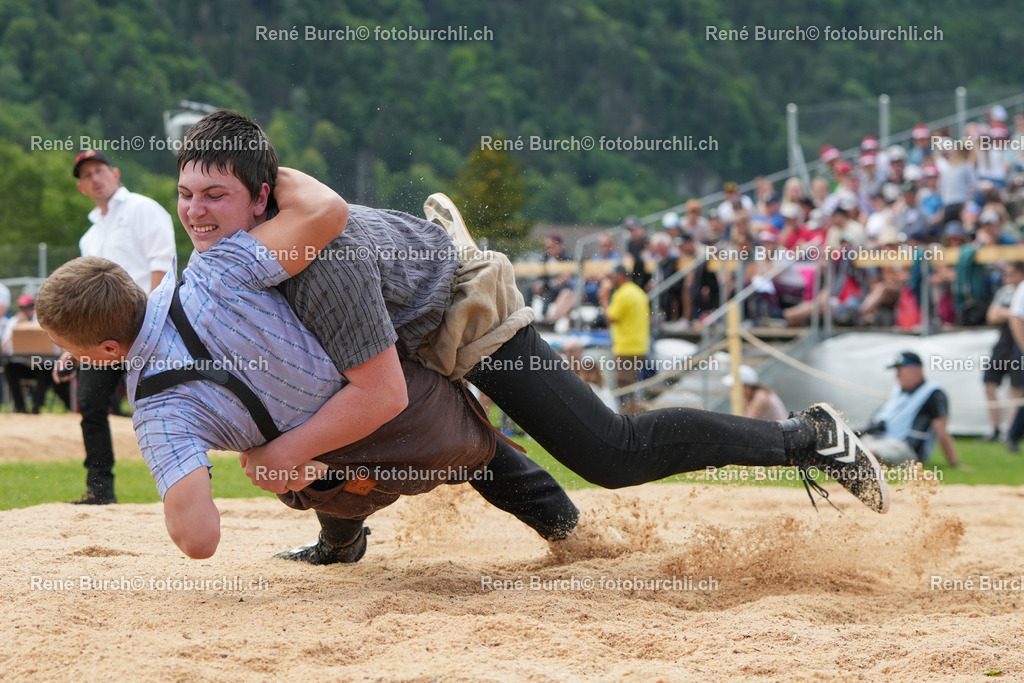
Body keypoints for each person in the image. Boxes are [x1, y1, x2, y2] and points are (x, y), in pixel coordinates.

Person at [176, 110, 892, 560]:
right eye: (186, 194)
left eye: (216, 195)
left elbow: (379, 393)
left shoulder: (320, 262)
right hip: (405, 312)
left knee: (609, 451)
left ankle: (805, 436)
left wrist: (282, 454)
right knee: (383, 421)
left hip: (462, 310)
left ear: (263, 197)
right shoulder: (238, 251)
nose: (196, 212)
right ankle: (354, 537)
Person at [35, 169, 580, 562]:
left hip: (357, 462)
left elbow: (199, 541)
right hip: (415, 404)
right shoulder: (214, 265)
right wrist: (255, 166)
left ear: (107, 351)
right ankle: (571, 534)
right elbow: (325, 213)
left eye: (71, 348)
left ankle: (338, 545)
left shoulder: (157, 412)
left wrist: (202, 460)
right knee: (465, 445)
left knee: (290, 460)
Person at [64, 150, 175, 504]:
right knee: (90, 405)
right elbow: (85, 296)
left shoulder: (143, 208)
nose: (94, 178)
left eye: (99, 170)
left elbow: (163, 266)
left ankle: (182, 488)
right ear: (82, 188)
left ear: (116, 173)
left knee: (165, 407)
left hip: (146, 326)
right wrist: (74, 347)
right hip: (103, 337)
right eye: (86, 175)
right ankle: (100, 490)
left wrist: (153, 324)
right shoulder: (89, 237)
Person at [860, 351, 960, 467]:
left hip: (906, 448)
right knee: (851, 448)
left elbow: (941, 431)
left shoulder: (934, 393)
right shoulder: (897, 391)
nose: (896, 376)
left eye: (900, 370)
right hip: (880, 439)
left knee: (867, 454)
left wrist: (954, 463)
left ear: (915, 369)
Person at [2, 295, 70, 413]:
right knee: (9, 369)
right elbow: (4, 349)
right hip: (21, 364)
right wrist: (17, 329)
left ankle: (36, 407)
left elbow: (55, 349)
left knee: (43, 369)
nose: (24, 311)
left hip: (40, 364)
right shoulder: (13, 322)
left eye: (27, 307)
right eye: (21, 308)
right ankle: (20, 408)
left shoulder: (42, 322)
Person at [598, 265, 650, 415]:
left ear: (620, 276)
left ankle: (628, 419)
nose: (610, 280)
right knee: (631, 387)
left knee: (624, 387)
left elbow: (610, 318)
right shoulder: (638, 292)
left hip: (626, 347)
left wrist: (604, 297)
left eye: (612, 276)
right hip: (639, 345)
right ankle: (633, 416)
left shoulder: (622, 294)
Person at [983, 262, 1024, 442]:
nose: (1007, 278)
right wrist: (1013, 313)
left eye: (1011, 273)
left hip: (1018, 344)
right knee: (989, 384)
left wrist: (1006, 313)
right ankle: (995, 429)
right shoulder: (1005, 291)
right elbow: (991, 316)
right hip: (1003, 343)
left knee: (1017, 390)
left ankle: (1009, 431)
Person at [722, 365, 788, 420]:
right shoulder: (754, 396)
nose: (732, 391)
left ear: (746, 387)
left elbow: (746, 423)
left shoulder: (761, 396)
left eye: (734, 387)